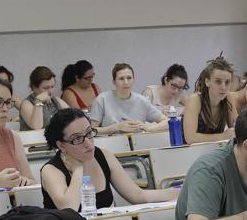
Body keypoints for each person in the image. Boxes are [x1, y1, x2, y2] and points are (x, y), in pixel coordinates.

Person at [41, 109, 179, 210]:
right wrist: (78, 171)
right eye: (77, 138)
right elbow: (69, 209)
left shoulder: (104, 156)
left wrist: (183, 192)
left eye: (89, 133)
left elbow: (138, 196)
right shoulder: (51, 170)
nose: (88, 143)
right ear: (61, 145)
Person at [89, 63, 168, 134]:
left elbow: (167, 122)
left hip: (138, 144)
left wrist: (148, 128)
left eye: (129, 78)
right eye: (121, 79)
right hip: (110, 145)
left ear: (133, 80)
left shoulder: (141, 100)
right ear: (114, 82)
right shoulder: (102, 99)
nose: (126, 82)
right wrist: (116, 127)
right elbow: (90, 131)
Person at [183, 55, 236, 144]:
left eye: (227, 82)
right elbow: (190, 138)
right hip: (189, 153)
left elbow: (236, 129)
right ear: (207, 82)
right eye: (218, 81)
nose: (223, 87)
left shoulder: (228, 97)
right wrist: (222, 136)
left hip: (214, 151)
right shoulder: (195, 100)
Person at [18, 66, 69, 131]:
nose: (50, 91)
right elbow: (37, 126)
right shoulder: (26, 104)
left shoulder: (56, 100)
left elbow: (74, 118)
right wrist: (38, 101)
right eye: (46, 88)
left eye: (52, 86)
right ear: (34, 88)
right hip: (34, 140)